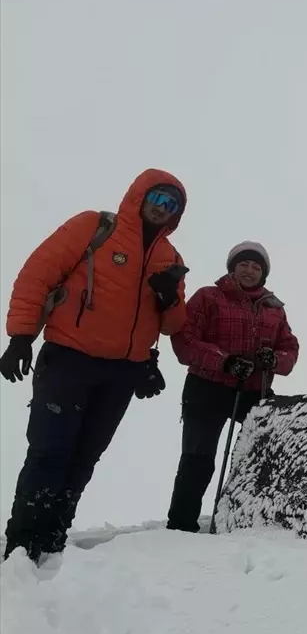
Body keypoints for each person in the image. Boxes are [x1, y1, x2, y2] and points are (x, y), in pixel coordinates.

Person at [0, 169, 189, 563]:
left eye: (171, 204)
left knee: (84, 457)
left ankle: (51, 544)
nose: (162, 207)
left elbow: (172, 326)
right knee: (49, 453)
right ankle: (20, 549)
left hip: (121, 374)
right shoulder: (94, 227)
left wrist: (168, 296)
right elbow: (38, 274)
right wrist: (20, 336)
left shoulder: (170, 259)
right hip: (69, 359)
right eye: (158, 197)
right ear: (140, 196)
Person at [166, 242, 300, 532]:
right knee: (198, 458)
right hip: (207, 386)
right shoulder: (208, 297)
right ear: (232, 267)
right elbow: (184, 342)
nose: (249, 270)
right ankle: (180, 526)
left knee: (262, 454)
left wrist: (274, 359)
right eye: (243, 264)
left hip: (254, 390)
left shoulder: (274, 308)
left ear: (264, 272)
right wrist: (224, 362)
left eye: (256, 266)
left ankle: (249, 519)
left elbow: (290, 349)